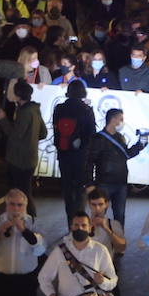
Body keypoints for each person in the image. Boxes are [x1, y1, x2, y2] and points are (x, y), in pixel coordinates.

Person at [85, 108, 146, 226]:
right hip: (104, 183)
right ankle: (98, 239)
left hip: (121, 183)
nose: (122, 122)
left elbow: (126, 155)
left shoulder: (120, 137)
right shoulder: (98, 138)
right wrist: (89, 183)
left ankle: (118, 241)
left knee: (120, 215)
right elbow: (89, 162)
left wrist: (140, 144)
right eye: (121, 119)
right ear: (113, 120)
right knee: (99, 214)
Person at [52, 80, 97, 223]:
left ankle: (70, 221)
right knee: (80, 189)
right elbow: (92, 134)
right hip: (81, 154)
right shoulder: (86, 110)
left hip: (63, 152)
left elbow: (55, 128)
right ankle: (79, 221)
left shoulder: (59, 108)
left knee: (67, 189)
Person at [0, 81, 46, 214]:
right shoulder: (35, 110)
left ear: (18, 96)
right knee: (25, 189)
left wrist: (3, 119)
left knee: (21, 192)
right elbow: (43, 133)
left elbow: (15, 135)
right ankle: (26, 217)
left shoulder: (24, 113)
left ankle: (28, 217)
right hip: (31, 158)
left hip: (19, 159)